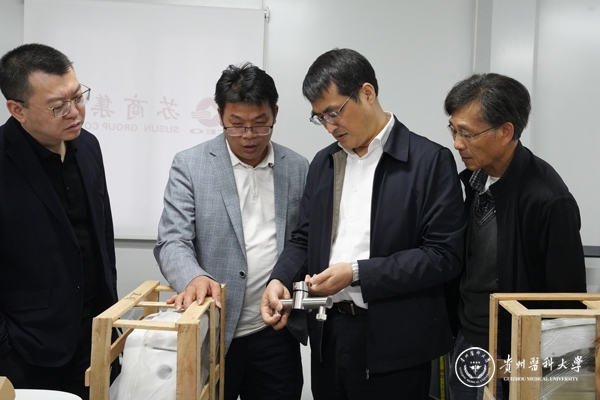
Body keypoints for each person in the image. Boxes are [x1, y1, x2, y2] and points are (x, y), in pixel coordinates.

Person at [260, 48, 466, 400]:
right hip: (329, 334)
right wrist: (279, 279)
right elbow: (304, 237)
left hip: (396, 343)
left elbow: (443, 256)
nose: (329, 127)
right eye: (320, 118)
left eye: (334, 112)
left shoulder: (428, 161)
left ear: (367, 93)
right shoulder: (325, 163)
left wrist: (357, 273)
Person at [154, 62, 308, 400]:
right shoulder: (190, 164)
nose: (249, 136)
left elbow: (304, 240)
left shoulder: (298, 168)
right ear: (220, 115)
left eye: (260, 124)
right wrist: (193, 277)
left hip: (274, 331)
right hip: (212, 330)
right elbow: (172, 239)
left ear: (275, 114)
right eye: (236, 125)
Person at [444, 73, 587, 400]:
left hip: (514, 349)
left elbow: (566, 302)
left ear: (505, 131)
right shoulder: (471, 182)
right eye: (453, 130)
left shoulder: (549, 199)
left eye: (467, 133)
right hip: (467, 336)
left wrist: (555, 378)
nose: (457, 143)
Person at [0, 43, 119, 399]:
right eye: (58, 106)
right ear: (17, 109)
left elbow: (102, 236)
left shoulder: (89, 146)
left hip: (94, 338)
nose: (75, 112)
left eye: (78, 97)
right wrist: (5, 350)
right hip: (27, 350)